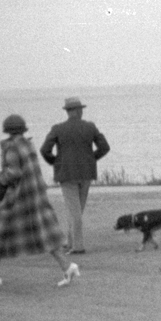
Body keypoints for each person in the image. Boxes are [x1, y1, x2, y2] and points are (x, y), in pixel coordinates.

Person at [0, 114, 79, 292]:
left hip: (17, 200)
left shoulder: (11, 148)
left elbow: (14, 173)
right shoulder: (28, 145)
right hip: (35, 198)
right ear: (22, 129)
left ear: (7, 130)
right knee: (44, 235)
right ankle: (68, 267)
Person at [41, 96, 110, 254]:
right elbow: (105, 147)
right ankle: (71, 241)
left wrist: (55, 162)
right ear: (79, 111)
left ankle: (77, 246)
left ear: (67, 112)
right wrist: (92, 158)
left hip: (66, 173)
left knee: (74, 211)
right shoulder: (90, 127)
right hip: (86, 173)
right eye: (81, 110)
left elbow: (45, 150)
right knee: (78, 210)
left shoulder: (57, 128)